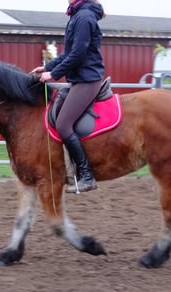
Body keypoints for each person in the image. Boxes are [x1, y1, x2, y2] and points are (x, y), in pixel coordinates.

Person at [31, 0, 105, 193]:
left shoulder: (84, 17)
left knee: (64, 124)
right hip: (80, 79)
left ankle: (87, 176)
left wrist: (53, 75)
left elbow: (78, 55)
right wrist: (47, 67)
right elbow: (69, 54)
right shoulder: (77, 15)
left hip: (87, 80)